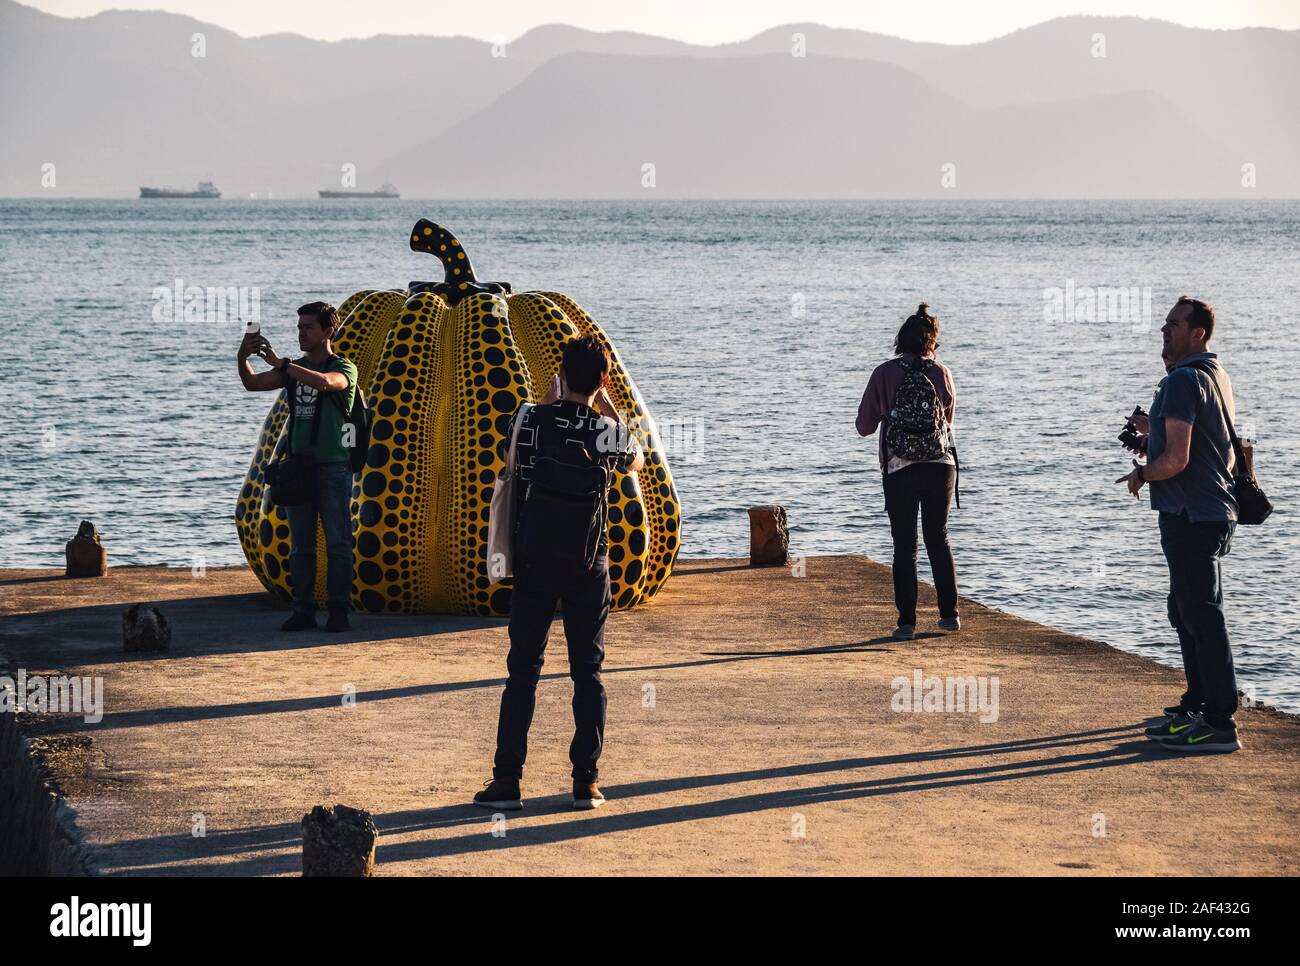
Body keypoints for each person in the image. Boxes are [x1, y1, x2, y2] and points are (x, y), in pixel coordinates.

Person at [474, 335, 644, 811]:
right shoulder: (605, 431)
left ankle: (507, 780)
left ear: (562, 374)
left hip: (533, 561)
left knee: (522, 671)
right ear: (603, 380)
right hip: (589, 563)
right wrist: (605, 406)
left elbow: (510, 455)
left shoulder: (530, 420)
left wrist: (546, 400)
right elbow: (636, 461)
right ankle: (585, 782)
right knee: (587, 673)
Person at [1117, 296, 1242, 753]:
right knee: (1187, 610)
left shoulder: (1183, 380)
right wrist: (1153, 431)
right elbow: (1205, 440)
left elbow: (1176, 460)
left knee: (1200, 615)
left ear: (1198, 333)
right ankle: (1198, 704)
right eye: (1164, 323)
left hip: (1191, 513)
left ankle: (1219, 722)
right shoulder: (1216, 375)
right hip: (1212, 511)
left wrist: (1141, 473)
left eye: (1173, 324)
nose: (1163, 330)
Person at [237, 302, 358, 632]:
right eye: (299, 327)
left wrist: (283, 364)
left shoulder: (344, 367)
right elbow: (253, 384)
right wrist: (242, 358)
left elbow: (327, 383)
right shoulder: (293, 369)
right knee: (301, 547)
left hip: (334, 467)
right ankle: (303, 610)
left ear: (328, 332)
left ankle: (338, 611)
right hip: (299, 468)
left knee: (338, 544)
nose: (301, 333)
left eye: (308, 327)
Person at [855, 302, 960, 641]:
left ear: (900, 340)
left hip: (899, 467)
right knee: (938, 539)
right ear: (932, 342)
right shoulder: (941, 372)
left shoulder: (884, 373)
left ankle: (907, 623)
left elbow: (864, 427)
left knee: (905, 545)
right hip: (940, 466)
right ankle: (949, 616)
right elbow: (948, 419)